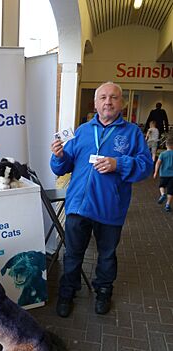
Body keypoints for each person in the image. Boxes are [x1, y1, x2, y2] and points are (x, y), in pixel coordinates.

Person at [50, 81, 153, 318]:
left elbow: (146, 167)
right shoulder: (83, 131)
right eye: (103, 97)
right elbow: (62, 167)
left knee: (107, 256)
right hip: (78, 206)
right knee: (73, 253)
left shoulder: (132, 133)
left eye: (114, 97)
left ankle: (104, 291)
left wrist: (119, 163)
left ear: (122, 103)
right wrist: (58, 156)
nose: (108, 101)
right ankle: (67, 293)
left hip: (110, 208)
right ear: (95, 103)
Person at [153, 137, 173, 212]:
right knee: (171, 191)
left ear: (166, 145)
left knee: (161, 186)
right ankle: (167, 205)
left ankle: (162, 194)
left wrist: (155, 172)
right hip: (172, 176)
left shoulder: (162, 154)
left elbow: (158, 163)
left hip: (163, 174)